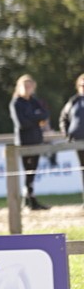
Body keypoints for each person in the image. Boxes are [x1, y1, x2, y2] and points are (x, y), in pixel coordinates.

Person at [10, 74, 50, 211]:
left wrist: (32, 118)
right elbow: (22, 124)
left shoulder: (35, 101)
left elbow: (45, 114)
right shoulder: (16, 103)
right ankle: (27, 200)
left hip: (37, 140)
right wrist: (36, 118)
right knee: (28, 171)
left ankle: (30, 199)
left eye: (30, 86)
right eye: (25, 86)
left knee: (32, 172)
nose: (27, 89)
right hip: (24, 142)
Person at [58, 73, 84, 204]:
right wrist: (66, 133)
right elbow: (63, 118)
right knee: (83, 169)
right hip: (78, 140)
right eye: (82, 85)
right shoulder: (73, 101)